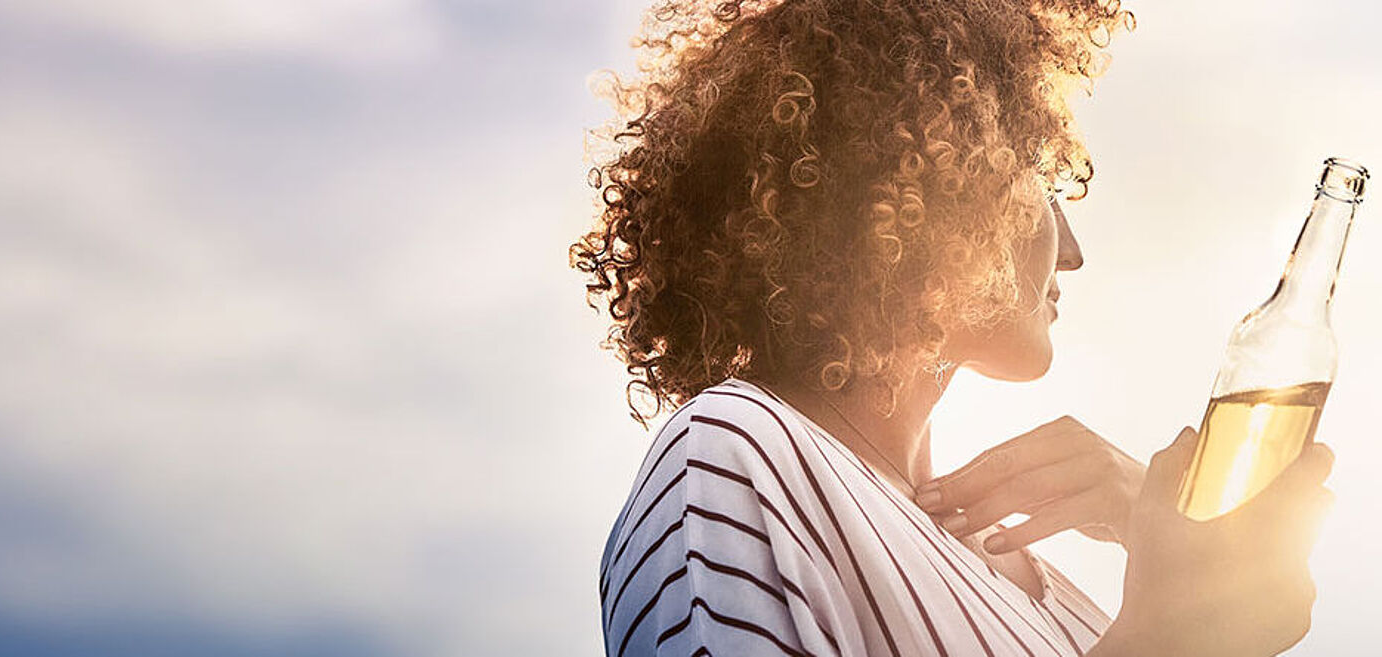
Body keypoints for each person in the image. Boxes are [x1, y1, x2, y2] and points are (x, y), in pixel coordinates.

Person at [571, 0, 1336, 655]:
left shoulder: (1062, 597)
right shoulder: (736, 453)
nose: (1072, 252)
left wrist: (1188, 571)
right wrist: (1165, 637)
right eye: (1040, 173)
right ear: (935, 176)